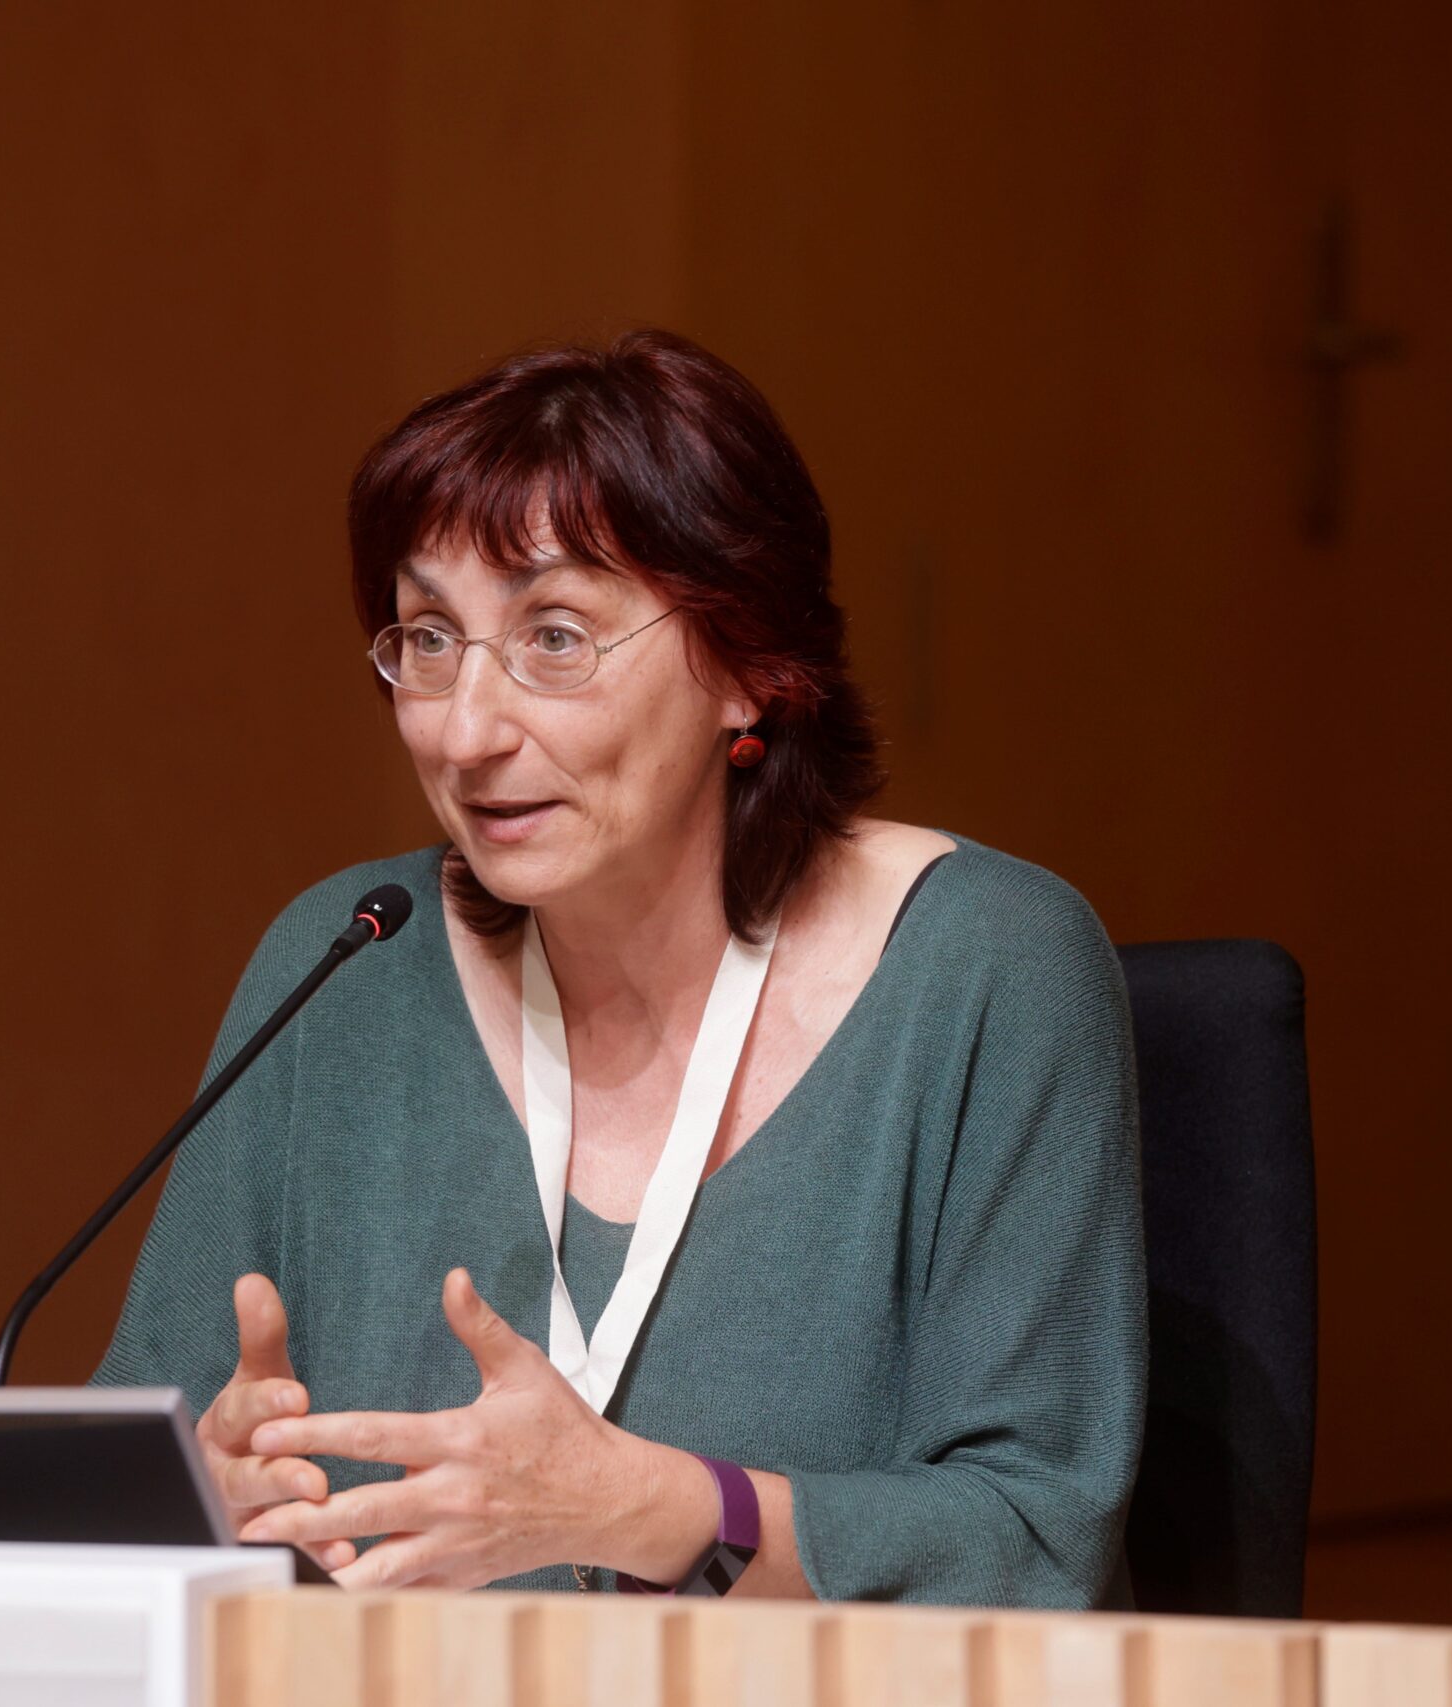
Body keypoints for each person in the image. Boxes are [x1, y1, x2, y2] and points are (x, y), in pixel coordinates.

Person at [93, 329, 1144, 1606]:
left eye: (554, 637)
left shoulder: (984, 970)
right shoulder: (347, 961)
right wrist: (199, 1507)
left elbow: (1036, 1545)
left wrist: (651, 1512)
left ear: (748, 664)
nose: (466, 732)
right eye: (428, 637)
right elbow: (112, 1505)